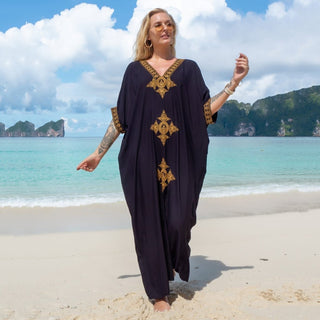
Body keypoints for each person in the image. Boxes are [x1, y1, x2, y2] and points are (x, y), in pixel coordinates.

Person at [77, 8, 249, 312]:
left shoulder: (188, 69)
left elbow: (204, 112)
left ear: (174, 31)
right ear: (148, 34)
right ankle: (158, 293)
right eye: (158, 24)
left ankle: (168, 262)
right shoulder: (134, 72)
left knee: (178, 219)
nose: (165, 28)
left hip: (181, 156)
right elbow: (121, 118)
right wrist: (98, 153)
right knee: (147, 223)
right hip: (141, 157)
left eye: (169, 23)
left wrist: (233, 83)